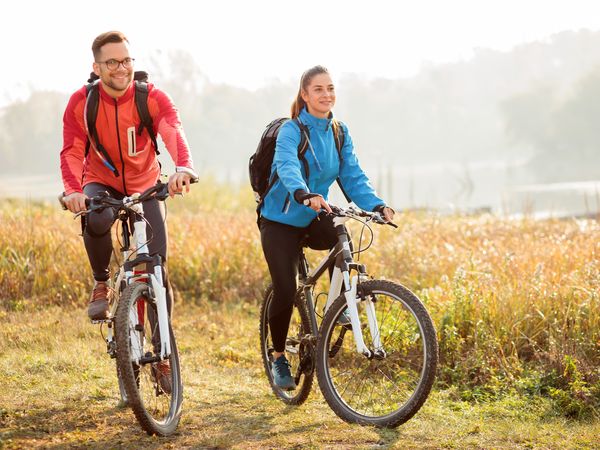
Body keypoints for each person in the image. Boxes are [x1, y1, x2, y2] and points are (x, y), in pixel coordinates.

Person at [60, 31, 197, 389]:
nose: (121, 68)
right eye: (112, 62)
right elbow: (72, 151)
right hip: (101, 182)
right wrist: (74, 191)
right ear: (96, 66)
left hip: (145, 182)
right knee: (97, 216)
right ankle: (102, 283)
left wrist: (184, 167)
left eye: (126, 61)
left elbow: (172, 130)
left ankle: (162, 355)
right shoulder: (82, 102)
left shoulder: (150, 97)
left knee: (156, 271)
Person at [259, 65, 395, 390]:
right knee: (286, 287)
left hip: (314, 213)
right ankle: (278, 355)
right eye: (318, 89)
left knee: (342, 234)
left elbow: (352, 175)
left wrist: (376, 205)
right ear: (304, 95)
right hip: (281, 219)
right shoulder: (293, 130)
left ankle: (340, 306)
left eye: (331, 88)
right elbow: (287, 165)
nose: (326, 95)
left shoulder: (339, 131)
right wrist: (303, 193)